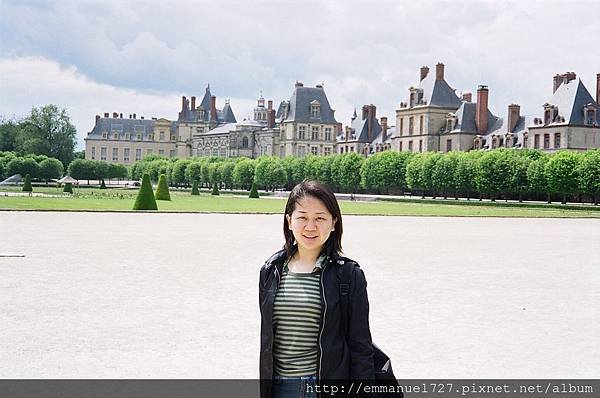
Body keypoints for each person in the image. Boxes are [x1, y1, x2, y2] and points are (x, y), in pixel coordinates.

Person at [259, 180, 375, 398]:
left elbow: (361, 348)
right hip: (277, 387)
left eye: (320, 218)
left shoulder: (348, 275)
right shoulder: (271, 270)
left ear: (333, 223)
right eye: (302, 217)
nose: (310, 227)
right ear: (289, 221)